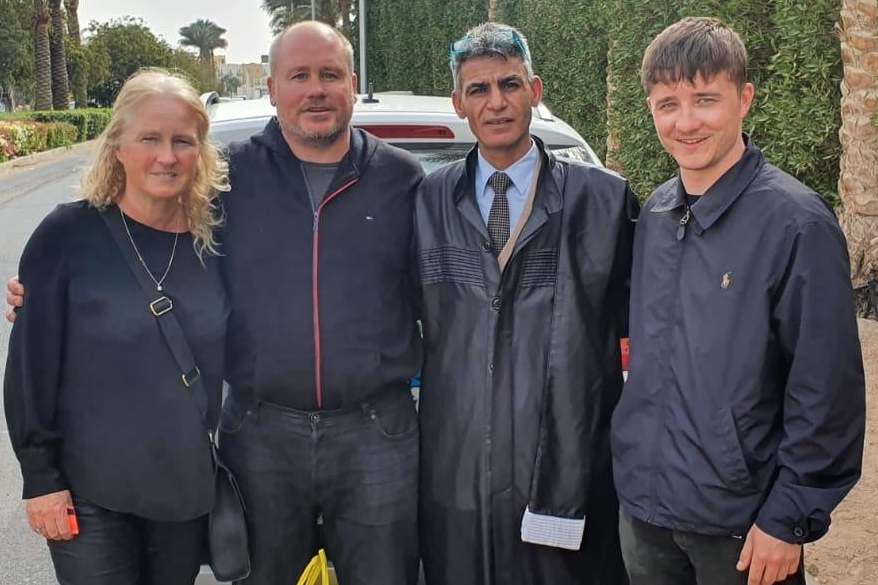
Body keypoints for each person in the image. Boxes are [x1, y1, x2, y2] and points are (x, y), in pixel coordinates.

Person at [7, 22, 423, 585]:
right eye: (299, 76)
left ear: (353, 83)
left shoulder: (404, 179)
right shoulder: (233, 180)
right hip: (258, 434)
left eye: (330, 75)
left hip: (376, 432)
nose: (316, 89)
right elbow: (135, 245)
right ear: (273, 88)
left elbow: (449, 289)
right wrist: (40, 293)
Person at [611, 17, 866, 585]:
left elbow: (827, 389)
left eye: (705, 100)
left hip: (741, 529)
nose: (686, 122)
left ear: (744, 98)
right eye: (667, 103)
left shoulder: (795, 224)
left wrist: (789, 518)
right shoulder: (653, 215)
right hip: (645, 516)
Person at [415, 22, 635, 585]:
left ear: (535, 91)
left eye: (509, 85)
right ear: (458, 102)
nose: (496, 103)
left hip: (566, 475)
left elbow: (647, 337)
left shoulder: (603, 203)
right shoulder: (427, 202)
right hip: (456, 475)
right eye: (479, 90)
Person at [3, 68, 230, 585]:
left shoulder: (216, 242)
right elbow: (30, 369)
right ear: (118, 147)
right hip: (90, 495)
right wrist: (41, 480)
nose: (167, 155)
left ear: (201, 153)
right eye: (150, 138)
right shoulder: (68, 234)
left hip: (183, 492)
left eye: (182, 141)